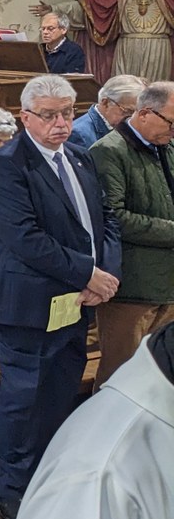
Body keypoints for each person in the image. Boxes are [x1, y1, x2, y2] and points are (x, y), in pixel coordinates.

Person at [0, 74, 121, 519]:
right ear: (25, 117)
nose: (61, 123)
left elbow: (105, 221)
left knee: (60, 395)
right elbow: (25, 238)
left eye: (67, 113)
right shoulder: (7, 165)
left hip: (76, 302)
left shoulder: (79, 156)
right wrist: (87, 273)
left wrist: (104, 274)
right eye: (49, 115)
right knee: (23, 400)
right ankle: (12, 490)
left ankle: (47, 480)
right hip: (28, 304)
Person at [0, 319, 174, 519]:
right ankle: (9, 489)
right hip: (31, 319)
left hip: (66, 321)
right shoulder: (100, 478)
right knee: (26, 403)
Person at [86, 80, 174, 387]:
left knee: (161, 379)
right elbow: (114, 217)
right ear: (145, 113)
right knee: (120, 378)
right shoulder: (108, 151)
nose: (173, 130)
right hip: (132, 288)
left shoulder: (167, 146)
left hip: (168, 284)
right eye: (171, 122)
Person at [34, 0, 174, 84]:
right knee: (122, 86)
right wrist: (54, 9)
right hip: (127, 46)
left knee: (155, 87)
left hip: (158, 48)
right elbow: (87, 7)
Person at [71, 74, 145, 148]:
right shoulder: (79, 134)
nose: (131, 119)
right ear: (105, 103)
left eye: (137, 113)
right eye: (127, 111)